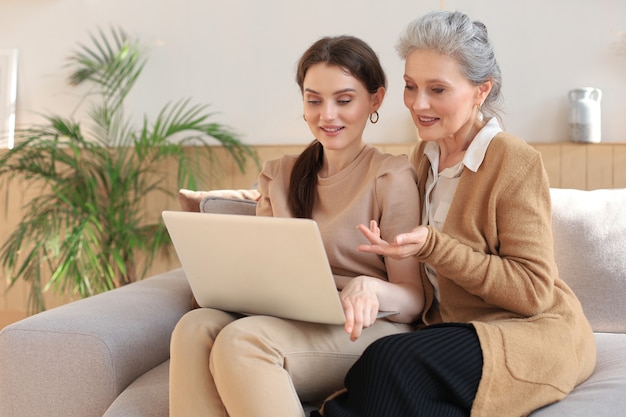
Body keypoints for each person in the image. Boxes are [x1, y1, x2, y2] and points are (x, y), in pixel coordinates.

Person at [313, 10, 596, 417]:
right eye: (411, 87)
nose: (418, 104)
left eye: (438, 89)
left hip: (526, 333)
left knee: (388, 361)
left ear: (481, 90)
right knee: (392, 386)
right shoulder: (424, 156)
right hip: (450, 331)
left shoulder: (513, 161)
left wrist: (433, 246)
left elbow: (533, 291)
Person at [169, 35, 425, 417]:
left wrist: (369, 286)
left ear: (375, 100)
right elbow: (262, 269)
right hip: (288, 318)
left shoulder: (390, 175)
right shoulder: (280, 174)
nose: (327, 115)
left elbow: (413, 300)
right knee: (194, 327)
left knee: (242, 340)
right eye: (314, 100)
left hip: (364, 330)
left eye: (344, 100)